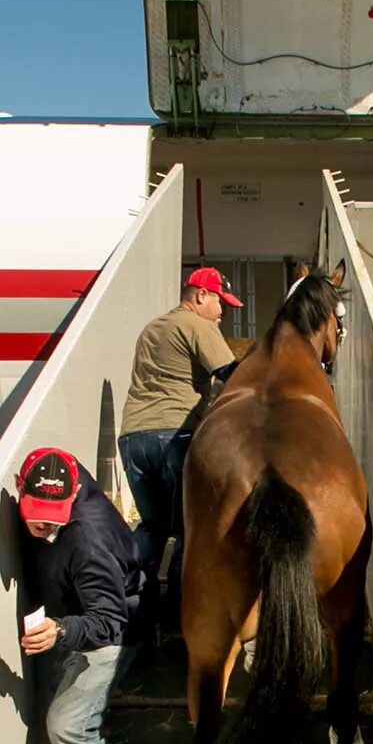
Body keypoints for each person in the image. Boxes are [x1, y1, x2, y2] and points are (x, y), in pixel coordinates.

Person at [16, 446, 144, 744]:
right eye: (34, 511)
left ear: (72, 498)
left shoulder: (87, 540)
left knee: (68, 726)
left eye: (53, 514)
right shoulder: (54, 518)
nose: (42, 522)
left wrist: (62, 631)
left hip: (113, 633)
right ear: (19, 490)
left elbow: (110, 620)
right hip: (74, 620)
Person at [118, 267, 241, 627]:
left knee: (152, 525)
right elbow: (231, 374)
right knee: (190, 527)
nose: (223, 313)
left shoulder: (152, 328)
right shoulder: (197, 325)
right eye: (221, 303)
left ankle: (132, 611)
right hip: (175, 435)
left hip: (133, 437)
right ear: (200, 295)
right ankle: (176, 616)